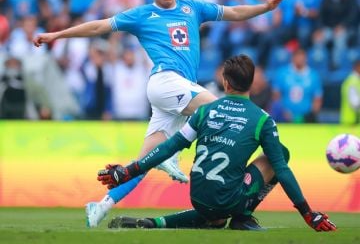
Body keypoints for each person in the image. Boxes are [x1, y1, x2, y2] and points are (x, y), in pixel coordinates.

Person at [33, 0, 285, 227]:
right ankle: (174, 156)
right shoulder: (141, 15)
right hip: (165, 82)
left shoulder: (192, 8)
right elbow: (98, 27)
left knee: (144, 162)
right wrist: (57, 35)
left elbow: (233, 11)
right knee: (218, 111)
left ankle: (101, 205)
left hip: (178, 92)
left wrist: (265, 7)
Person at [98, 55, 336, 232]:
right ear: (252, 83)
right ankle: (243, 217)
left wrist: (130, 170)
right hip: (229, 199)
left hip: (198, 196)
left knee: (215, 213)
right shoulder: (262, 119)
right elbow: (281, 170)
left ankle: (156, 222)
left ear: (225, 82)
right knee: (280, 154)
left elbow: (171, 146)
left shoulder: (204, 111)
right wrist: (308, 213)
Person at [340, 59, 360, 126]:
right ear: (357, 67)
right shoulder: (352, 81)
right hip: (351, 123)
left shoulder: (355, 80)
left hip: (353, 122)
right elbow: (355, 103)